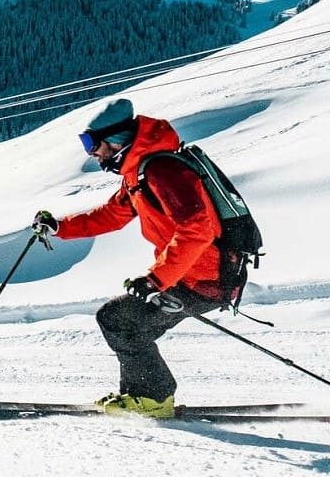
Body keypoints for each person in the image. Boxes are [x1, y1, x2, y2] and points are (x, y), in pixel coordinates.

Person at [30, 99, 230, 418]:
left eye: (91, 143)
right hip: (191, 274)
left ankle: (152, 399)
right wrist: (60, 228)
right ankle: (140, 395)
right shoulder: (139, 173)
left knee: (120, 319)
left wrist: (156, 279)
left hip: (203, 277)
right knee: (125, 321)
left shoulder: (163, 170)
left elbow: (198, 228)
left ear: (117, 139)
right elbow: (113, 214)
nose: (91, 152)